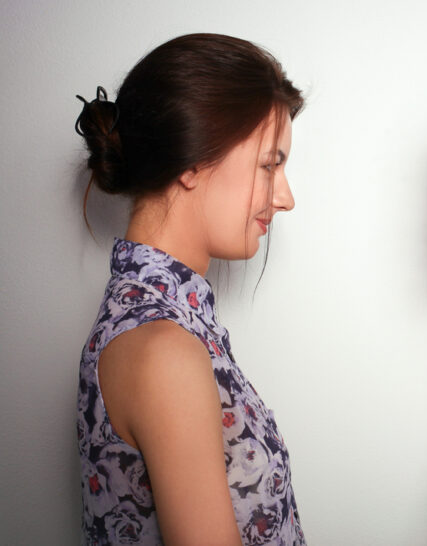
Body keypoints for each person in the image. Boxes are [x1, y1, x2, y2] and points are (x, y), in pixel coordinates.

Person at [75, 33, 305, 545]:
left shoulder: (168, 323)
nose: (285, 197)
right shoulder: (162, 348)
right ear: (193, 162)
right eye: (270, 165)